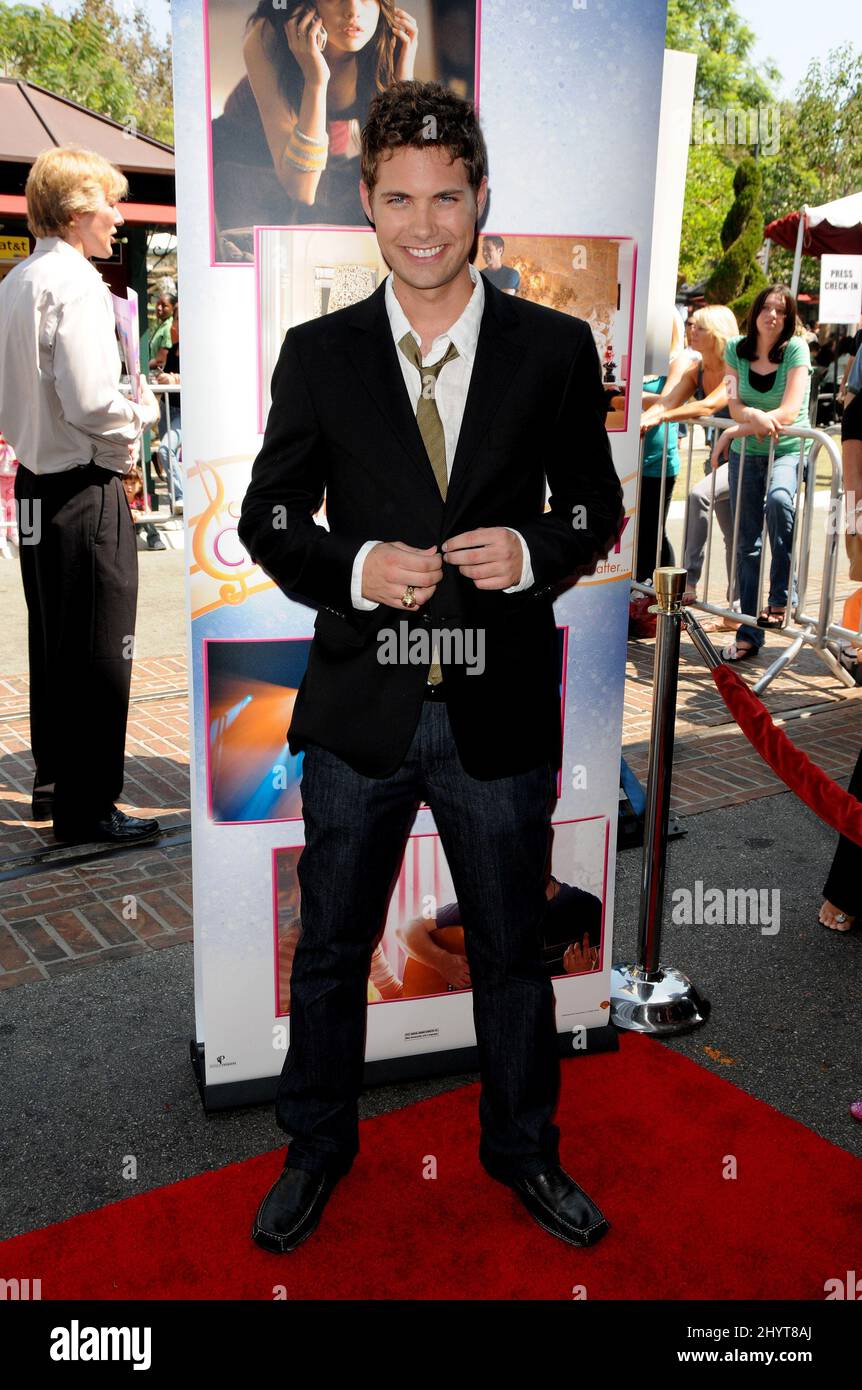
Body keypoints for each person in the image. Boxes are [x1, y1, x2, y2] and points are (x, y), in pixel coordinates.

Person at [238, 79, 624, 1254]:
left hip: (498, 713)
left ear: (479, 198)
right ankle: (316, 1146)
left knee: (511, 948)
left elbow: (595, 505)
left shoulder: (555, 350)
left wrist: (532, 549)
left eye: (444, 197)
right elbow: (267, 518)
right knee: (335, 950)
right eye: (398, 197)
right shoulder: (318, 353)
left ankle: (523, 1151)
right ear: (366, 202)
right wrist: (354, 567)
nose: (421, 223)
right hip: (364, 708)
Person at [0, 145, 162, 841]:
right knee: (100, 646)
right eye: (109, 204)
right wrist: (137, 425)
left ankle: (54, 779)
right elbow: (94, 399)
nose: (118, 218)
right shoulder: (75, 284)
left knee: (52, 637)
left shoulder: (17, 280)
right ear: (74, 212)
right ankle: (89, 807)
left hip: (35, 483)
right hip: (82, 484)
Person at [211, 1, 418, 242]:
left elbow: (403, 174)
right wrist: (315, 81)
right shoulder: (267, 37)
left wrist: (403, 86)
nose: (352, 11)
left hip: (320, 162)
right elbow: (302, 189)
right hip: (244, 160)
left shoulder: (389, 41)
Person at [710, 285, 811, 663]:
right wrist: (746, 420)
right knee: (747, 545)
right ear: (754, 313)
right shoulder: (736, 348)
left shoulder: (796, 350)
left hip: (786, 450)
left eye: (781, 311)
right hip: (746, 456)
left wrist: (740, 424)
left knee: (780, 501)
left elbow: (789, 412)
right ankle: (749, 631)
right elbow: (734, 405)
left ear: (788, 319)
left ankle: (783, 597)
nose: (773, 315)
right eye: (767, 308)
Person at [639, 306, 740, 627]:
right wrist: (645, 420)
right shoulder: (696, 369)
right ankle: (735, 611)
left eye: (699, 328)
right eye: (691, 326)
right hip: (722, 459)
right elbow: (667, 401)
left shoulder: (734, 368)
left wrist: (662, 416)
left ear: (717, 335)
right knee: (732, 536)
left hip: (751, 457)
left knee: (712, 509)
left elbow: (710, 404)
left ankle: (691, 583)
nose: (691, 331)